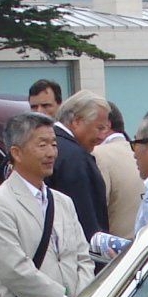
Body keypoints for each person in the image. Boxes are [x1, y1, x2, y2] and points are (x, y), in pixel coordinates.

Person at [0, 111, 91, 297]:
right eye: (42, 145)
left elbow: (83, 257)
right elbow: (14, 270)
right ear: (16, 153)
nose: (51, 153)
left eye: (53, 144)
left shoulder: (62, 202)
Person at [47, 89, 110, 239]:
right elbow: (85, 219)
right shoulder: (75, 158)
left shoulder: (50, 146)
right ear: (76, 121)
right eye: (99, 128)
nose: (103, 136)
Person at [94, 101, 143, 236]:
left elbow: (98, 208)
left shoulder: (99, 154)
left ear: (106, 125)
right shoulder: (140, 151)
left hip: (115, 249)